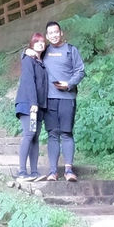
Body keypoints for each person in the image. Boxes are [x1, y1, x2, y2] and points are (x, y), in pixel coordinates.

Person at [42, 21, 85, 182]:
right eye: (50, 33)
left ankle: (68, 170)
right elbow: (29, 57)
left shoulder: (71, 50)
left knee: (66, 133)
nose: (53, 35)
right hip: (49, 99)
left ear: (61, 33)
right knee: (52, 134)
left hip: (67, 98)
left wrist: (69, 84)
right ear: (47, 36)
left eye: (56, 32)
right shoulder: (44, 51)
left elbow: (80, 70)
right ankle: (53, 171)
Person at [14, 32, 48, 182]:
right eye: (37, 42)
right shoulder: (29, 59)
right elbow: (28, 82)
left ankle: (34, 172)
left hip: (38, 106)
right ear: (32, 45)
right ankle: (22, 172)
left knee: (35, 137)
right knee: (29, 134)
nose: (40, 44)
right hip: (28, 104)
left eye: (42, 42)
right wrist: (33, 104)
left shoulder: (41, 61)